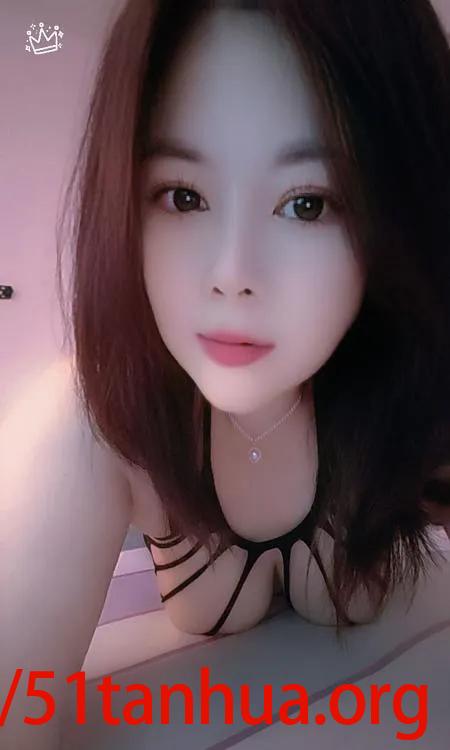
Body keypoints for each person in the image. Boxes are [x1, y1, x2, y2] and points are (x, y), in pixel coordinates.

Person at [2, 0, 450, 747]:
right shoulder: (90, 422)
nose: (232, 273)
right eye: (184, 196)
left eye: (307, 204)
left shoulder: (408, 390)